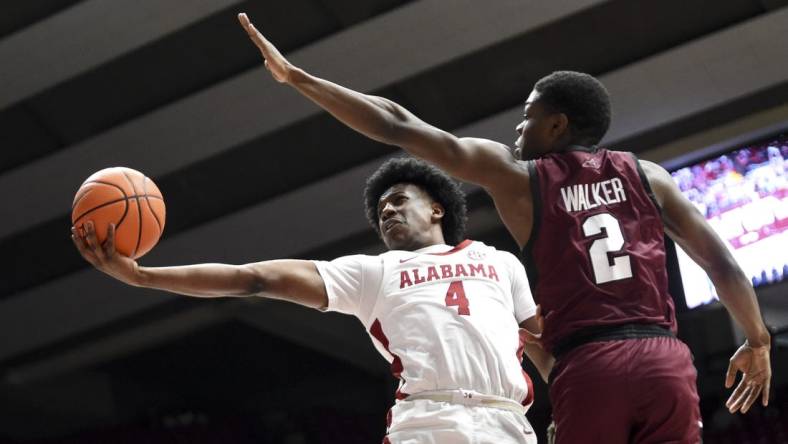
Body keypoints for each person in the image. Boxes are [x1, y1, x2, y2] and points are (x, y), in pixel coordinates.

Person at [237, 12, 773, 443]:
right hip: (665, 359)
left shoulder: (518, 176)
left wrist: (299, 79)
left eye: (528, 115)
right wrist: (757, 339)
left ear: (557, 124)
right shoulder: (649, 175)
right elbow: (722, 264)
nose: (519, 127)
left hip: (588, 363)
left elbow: (398, 124)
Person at [72, 157, 551, 444]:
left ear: (437, 207)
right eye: (380, 209)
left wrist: (577, 412)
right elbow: (253, 278)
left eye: (399, 200)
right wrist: (142, 276)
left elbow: (545, 347)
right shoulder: (372, 272)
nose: (387, 210)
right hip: (428, 423)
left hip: (506, 422)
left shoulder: (499, 262)